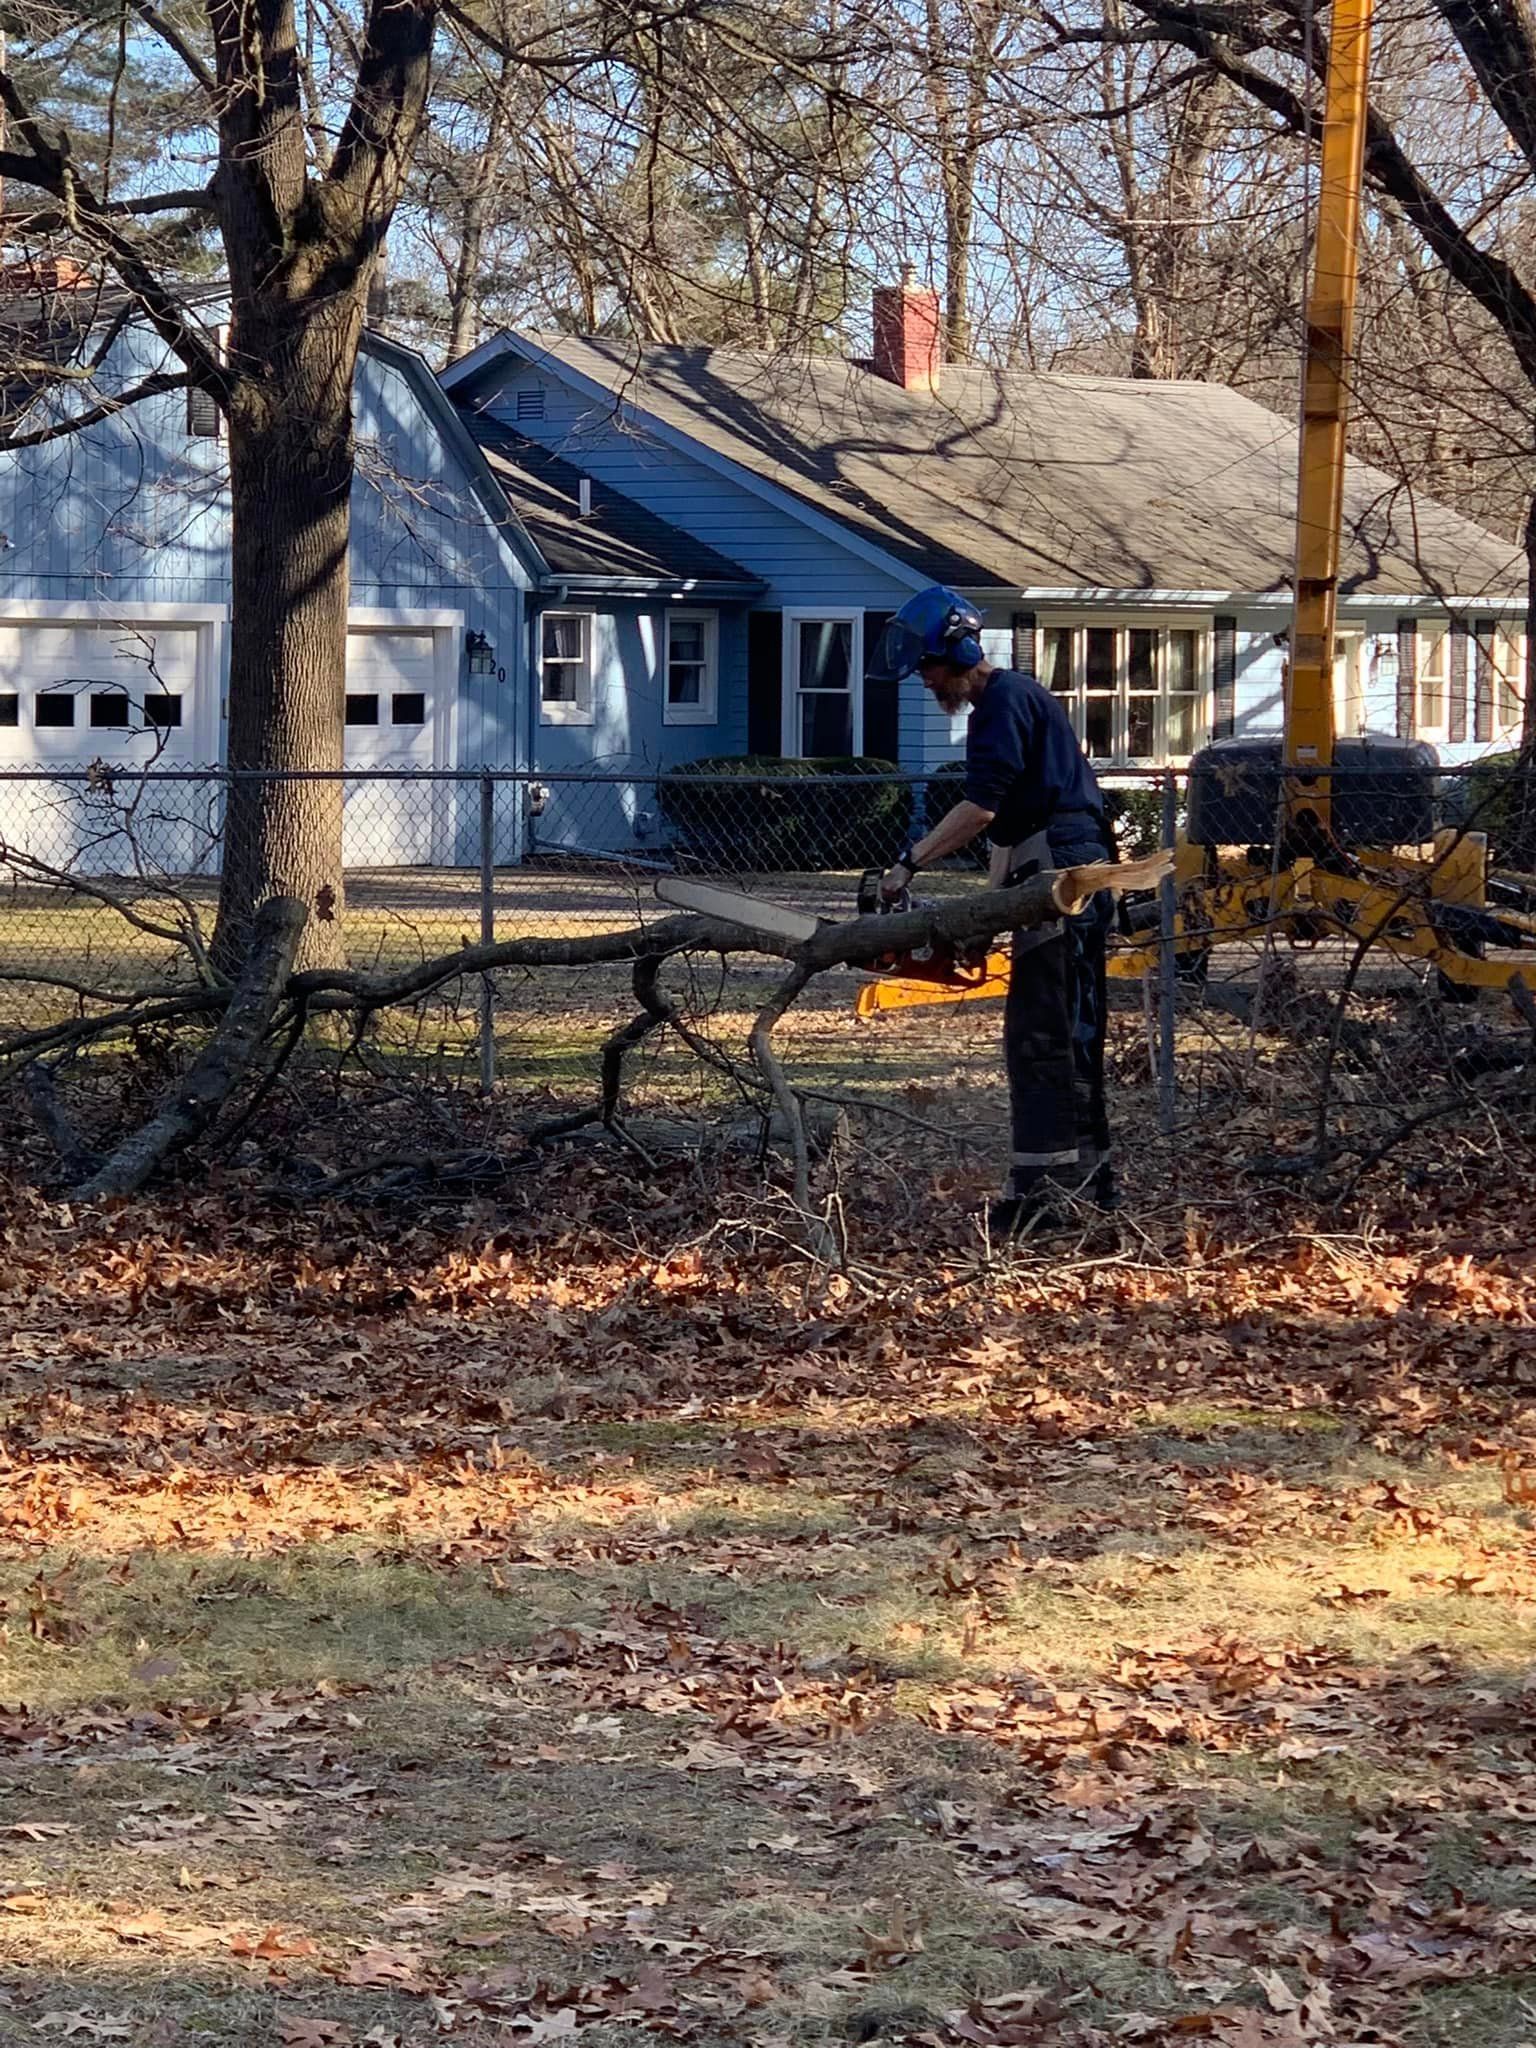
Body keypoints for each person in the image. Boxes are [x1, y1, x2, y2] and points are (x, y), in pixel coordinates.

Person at [868, 585, 1116, 1234]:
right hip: (1053, 870)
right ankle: (1069, 1191)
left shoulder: (1002, 702)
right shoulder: (1015, 699)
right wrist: (984, 919)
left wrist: (907, 864)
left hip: (1064, 877)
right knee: (1053, 1035)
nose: (925, 681)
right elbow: (1007, 832)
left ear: (959, 651)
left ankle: (1059, 1202)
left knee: (1049, 1037)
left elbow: (980, 809)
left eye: (929, 667)